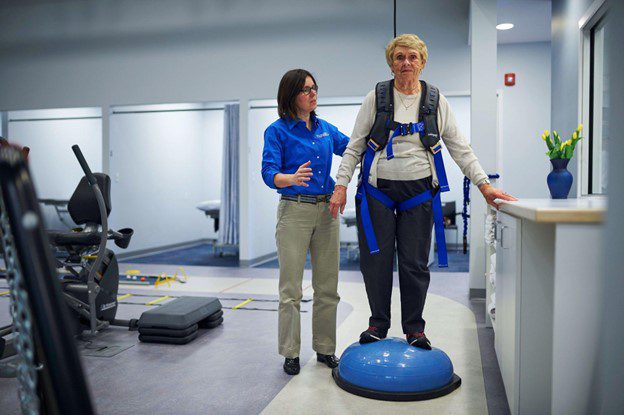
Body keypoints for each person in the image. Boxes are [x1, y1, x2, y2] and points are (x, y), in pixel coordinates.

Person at [329, 34, 516, 349]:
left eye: (412, 57)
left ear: (422, 62)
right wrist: (341, 185)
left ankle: (414, 329)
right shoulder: (375, 98)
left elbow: (460, 147)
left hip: (418, 191)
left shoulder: (435, 100)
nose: (405, 63)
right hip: (377, 191)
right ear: (391, 63)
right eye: (399, 57)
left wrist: (485, 186)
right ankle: (378, 324)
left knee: (414, 263)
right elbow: (354, 146)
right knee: (375, 261)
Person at [261, 69, 350, 375]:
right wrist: (290, 177)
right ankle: (290, 353)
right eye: (305, 90)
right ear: (290, 96)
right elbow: (267, 172)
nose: (313, 94)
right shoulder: (277, 131)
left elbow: (352, 148)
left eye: (314, 88)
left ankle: (325, 348)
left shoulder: (325, 129)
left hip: (327, 212)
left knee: (328, 287)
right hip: (294, 212)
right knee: (291, 290)